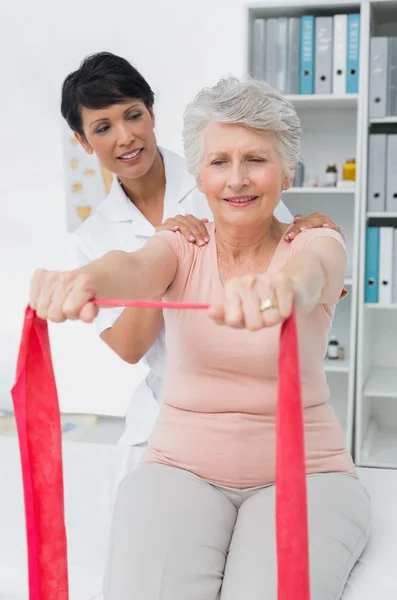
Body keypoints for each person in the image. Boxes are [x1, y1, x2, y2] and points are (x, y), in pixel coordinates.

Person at [33, 76, 370, 599]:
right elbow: (133, 266)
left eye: (256, 160)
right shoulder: (181, 240)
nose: (237, 180)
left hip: (308, 474)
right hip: (178, 466)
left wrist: (281, 288)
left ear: (286, 171)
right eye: (219, 163)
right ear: (199, 173)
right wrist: (84, 281)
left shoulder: (315, 239)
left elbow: (316, 272)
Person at [61, 52, 342, 447]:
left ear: (152, 113)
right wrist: (165, 259)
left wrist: (312, 240)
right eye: (103, 127)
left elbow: (285, 273)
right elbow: (127, 347)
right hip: (164, 408)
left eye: (133, 115)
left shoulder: (226, 177)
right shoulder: (94, 234)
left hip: (254, 403)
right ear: (83, 141)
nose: (125, 136)